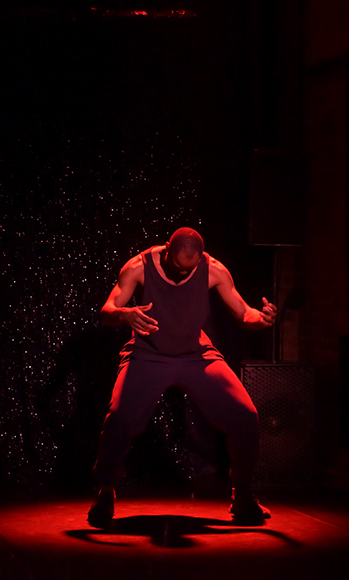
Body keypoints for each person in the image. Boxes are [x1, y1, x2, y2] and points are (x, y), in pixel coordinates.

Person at [88, 226, 277, 527]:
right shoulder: (138, 266)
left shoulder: (214, 269)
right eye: (178, 267)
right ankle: (106, 490)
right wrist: (124, 314)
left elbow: (244, 312)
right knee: (119, 418)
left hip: (195, 355)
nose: (183, 274)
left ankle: (242, 494)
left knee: (245, 415)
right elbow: (107, 309)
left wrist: (261, 319)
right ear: (167, 250)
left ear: (201, 258)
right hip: (148, 354)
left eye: (190, 269)